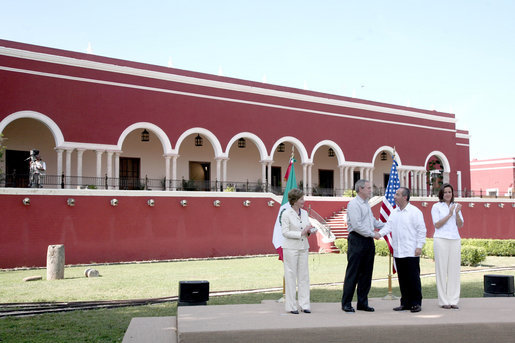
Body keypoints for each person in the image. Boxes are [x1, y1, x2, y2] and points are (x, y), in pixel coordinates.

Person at [375, 187, 426, 313]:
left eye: (397, 194)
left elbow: (421, 230)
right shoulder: (394, 212)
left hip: (411, 251)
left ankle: (416, 303)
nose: (394, 196)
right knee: (402, 279)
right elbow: (388, 227)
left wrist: (419, 246)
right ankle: (405, 303)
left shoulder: (415, 212)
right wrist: (379, 234)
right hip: (398, 252)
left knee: (413, 279)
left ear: (405, 197)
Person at [341, 179, 384, 313]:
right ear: (360, 189)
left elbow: (373, 222)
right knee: (353, 273)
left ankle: (362, 302)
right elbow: (356, 225)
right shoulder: (353, 204)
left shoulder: (366, 204)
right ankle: (346, 303)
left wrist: (387, 226)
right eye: (368, 188)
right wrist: (373, 234)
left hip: (368, 241)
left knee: (366, 273)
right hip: (357, 240)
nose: (370, 190)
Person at [281, 188, 314, 314]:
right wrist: (301, 233)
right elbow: (285, 232)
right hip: (290, 248)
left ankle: (304, 304)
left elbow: (306, 228)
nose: (303, 201)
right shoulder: (286, 213)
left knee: (304, 276)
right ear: (294, 200)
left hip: (303, 247)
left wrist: (309, 231)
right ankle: (291, 306)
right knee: (290, 276)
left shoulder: (305, 213)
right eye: (301, 199)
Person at [431, 183, 464, 309]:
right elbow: (437, 225)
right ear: (441, 194)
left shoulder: (456, 207)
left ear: (452, 193)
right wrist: (450, 214)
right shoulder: (436, 206)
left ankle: (453, 300)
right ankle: (444, 301)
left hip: (455, 239)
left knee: (454, 270)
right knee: (441, 269)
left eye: (449, 192)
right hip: (441, 239)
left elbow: (460, 225)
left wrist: (457, 213)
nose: (447, 194)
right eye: (445, 192)